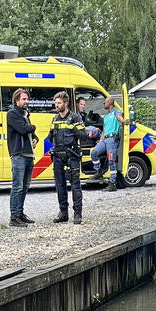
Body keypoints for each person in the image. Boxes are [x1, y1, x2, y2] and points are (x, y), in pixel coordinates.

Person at [48, 91, 86, 224]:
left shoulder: (75, 118)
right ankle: (63, 212)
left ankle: (77, 213)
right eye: (55, 103)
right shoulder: (55, 119)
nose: (56, 105)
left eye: (59, 103)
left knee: (75, 185)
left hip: (72, 155)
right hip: (58, 156)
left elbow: (84, 136)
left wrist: (73, 129)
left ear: (65, 103)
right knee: (60, 185)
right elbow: (50, 137)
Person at [6, 88, 37, 228]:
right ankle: (14, 216)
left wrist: (35, 138)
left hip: (28, 154)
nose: (26, 101)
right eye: (24, 99)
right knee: (17, 186)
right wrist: (33, 127)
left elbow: (30, 132)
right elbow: (23, 129)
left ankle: (20, 214)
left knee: (25, 186)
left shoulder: (25, 114)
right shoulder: (12, 114)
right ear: (16, 100)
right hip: (18, 154)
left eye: (27, 99)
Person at [89, 98, 125, 191]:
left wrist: (124, 121)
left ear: (110, 103)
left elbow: (120, 118)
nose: (103, 103)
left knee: (111, 161)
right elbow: (104, 130)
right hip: (105, 139)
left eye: (105, 102)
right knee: (94, 153)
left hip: (112, 140)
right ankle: (99, 172)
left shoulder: (115, 112)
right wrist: (101, 139)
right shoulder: (105, 117)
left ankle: (112, 184)